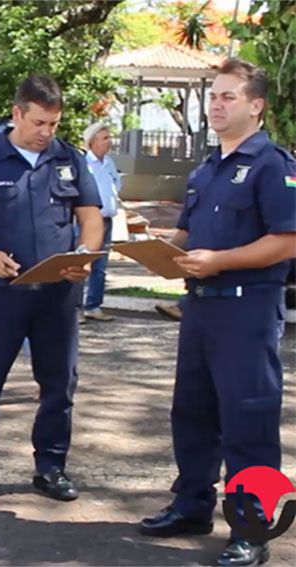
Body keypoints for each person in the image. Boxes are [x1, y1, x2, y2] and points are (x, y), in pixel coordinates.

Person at [138, 58, 296, 567]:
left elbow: (286, 241)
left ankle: (252, 530)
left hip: (247, 311)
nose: (217, 104)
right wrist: (158, 250)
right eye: (213, 96)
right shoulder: (206, 169)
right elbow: (188, 236)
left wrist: (220, 261)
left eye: (228, 96)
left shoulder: (274, 164)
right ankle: (191, 506)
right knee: (193, 415)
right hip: (200, 309)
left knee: (248, 420)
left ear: (256, 105)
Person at [0, 75, 103, 509]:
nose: (46, 133)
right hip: (1, 292)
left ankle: (51, 467)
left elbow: (91, 217)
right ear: (17, 113)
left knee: (58, 385)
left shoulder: (69, 159)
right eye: (39, 122)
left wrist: (85, 255)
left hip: (57, 293)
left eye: (53, 124)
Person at [81, 121, 121, 322]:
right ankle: (75, 308)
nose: (109, 142)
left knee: (100, 267)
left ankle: (93, 306)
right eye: (105, 138)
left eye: (109, 137)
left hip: (107, 221)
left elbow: (116, 185)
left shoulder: (110, 163)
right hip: (88, 221)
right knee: (81, 263)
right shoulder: (83, 164)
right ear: (92, 142)